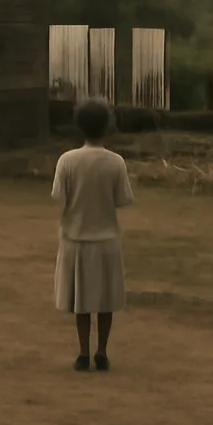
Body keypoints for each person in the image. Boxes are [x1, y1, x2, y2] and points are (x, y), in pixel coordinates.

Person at [51, 97, 134, 372]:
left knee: (82, 300)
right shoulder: (116, 162)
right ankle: (102, 351)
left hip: (76, 238)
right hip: (106, 238)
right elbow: (123, 199)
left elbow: (59, 197)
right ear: (108, 126)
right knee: (105, 299)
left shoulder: (67, 161)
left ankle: (83, 353)